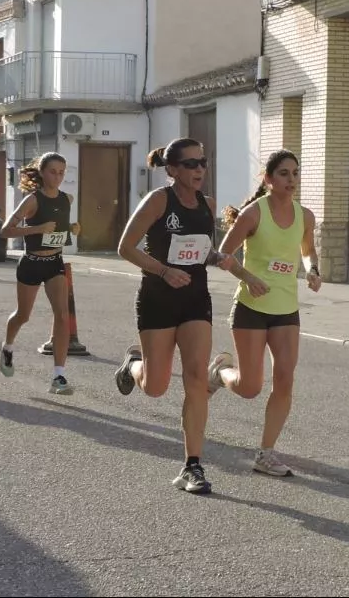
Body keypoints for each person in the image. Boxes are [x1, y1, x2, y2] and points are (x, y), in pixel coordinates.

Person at [113, 138, 250, 495]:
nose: (199, 169)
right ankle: (133, 365)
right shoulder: (159, 200)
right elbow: (125, 247)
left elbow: (199, 251)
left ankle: (193, 466)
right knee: (156, 387)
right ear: (172, 169)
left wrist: (216, 258)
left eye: (202, 162)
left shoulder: (208, 205)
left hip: (194, 301)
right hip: (157, 299)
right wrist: (163, 271)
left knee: (193, 379)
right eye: (190, 164)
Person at [209, 149, 322, 477]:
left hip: (286, 310)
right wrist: (248, 277)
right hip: (251, 308)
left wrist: (313, 269)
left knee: (285, 378)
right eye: (284, 173)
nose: (291, 180)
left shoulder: (305, 216)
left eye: (295, 173)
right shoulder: (252, 214)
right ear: (269, 179)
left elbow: (307, 251)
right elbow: (222, 254)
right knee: (249, 388)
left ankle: (266, 453)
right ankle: (220, 373)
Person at [0, 152, 81, 395]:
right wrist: (37, 229)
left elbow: (61, 229)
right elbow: (5, 231)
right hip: (32, 263)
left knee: (63, 316)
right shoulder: (32, 201)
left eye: (62, 172)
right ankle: (7, 348)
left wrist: (72, 229)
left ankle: (59, 376)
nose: (58, 177)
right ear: (42, 173)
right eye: (53, 172)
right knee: (23, 315)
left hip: (55, 262)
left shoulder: (67, 199)